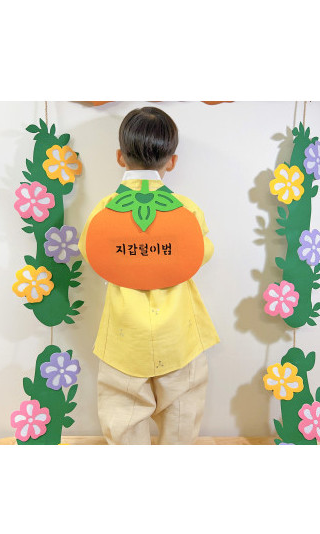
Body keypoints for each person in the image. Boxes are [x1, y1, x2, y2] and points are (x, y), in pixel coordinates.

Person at [78, 106, 219, 444]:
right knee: (182, 414)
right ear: (172, 161)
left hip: (124, 337)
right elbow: (202, 252)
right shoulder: (186, 209)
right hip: (179, 335)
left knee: (123, 417)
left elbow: (90, 251)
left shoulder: (105, 209)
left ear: (120, 157)